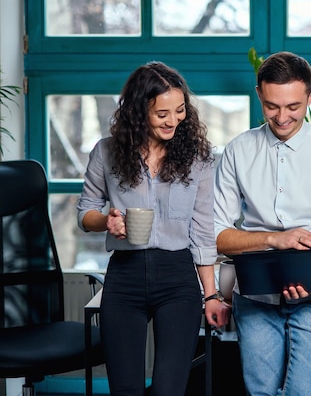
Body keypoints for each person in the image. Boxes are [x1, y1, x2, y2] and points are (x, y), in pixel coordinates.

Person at [213, 51, 311, 395]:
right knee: (261, 392)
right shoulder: (238, 151)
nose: (282, 117)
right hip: (255, 295)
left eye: (293, 106)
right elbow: (218, 235)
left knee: (303, 393)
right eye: (272, 106)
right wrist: (274, 240)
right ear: (259, 95)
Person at [77, 61, 229, 396]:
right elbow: (85, 213)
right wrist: (107, 221)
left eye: (179, 111)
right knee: (126, 389)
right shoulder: (106, 152)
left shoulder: (198, 157)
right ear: (138, 110)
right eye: (162, 113)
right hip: (124, 278)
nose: (173, 120)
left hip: (177, 280)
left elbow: (203, 231)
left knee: (167, 390)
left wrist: (212, 294)